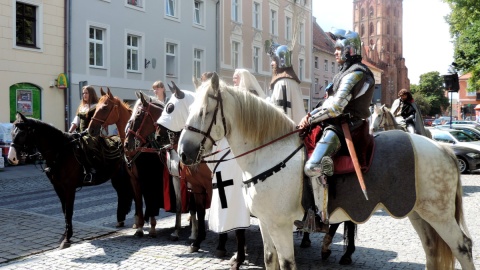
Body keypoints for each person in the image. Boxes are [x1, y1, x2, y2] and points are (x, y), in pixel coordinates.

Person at [294, 28, 375, 229]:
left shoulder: (356, 73)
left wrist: (311, 118)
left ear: (349, 49)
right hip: (334, 123)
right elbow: (328, 101)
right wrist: (309, 116)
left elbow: (337, 107)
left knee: (312, 166)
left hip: (345, 126)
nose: (335, 52)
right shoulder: (343, 73)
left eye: (339, 49)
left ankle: (321, 218)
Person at [266, 41, 306, 123]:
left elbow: (276, 112)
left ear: (280, 62)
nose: (271, 64)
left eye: (273, 60)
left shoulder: (281, 83)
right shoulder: (293, 82)